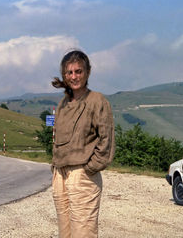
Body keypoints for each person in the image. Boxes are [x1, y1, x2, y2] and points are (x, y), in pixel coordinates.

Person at [51, 49, 115, 238]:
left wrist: (89, 168)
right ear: (64, 74)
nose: (74, 76)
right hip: (60, 173)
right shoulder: (63, 103)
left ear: (87, 72)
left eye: (78, 71)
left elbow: (106, 140)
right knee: (65, 233)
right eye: (69, 72)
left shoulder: (97, 100)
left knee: (83, 233)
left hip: (82, 174)